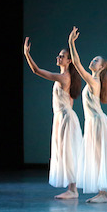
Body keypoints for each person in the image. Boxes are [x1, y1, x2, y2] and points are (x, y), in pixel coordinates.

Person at [68, 27, 107, 203]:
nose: (93, 61)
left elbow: (76, 64)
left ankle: (104, 194)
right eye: (93, 59)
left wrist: (71, 43)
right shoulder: (93, 81)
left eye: (96, 60)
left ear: (101, 68)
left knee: (100, 156)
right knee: (97, 156)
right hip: (93, 123)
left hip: (98, 123)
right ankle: (102, 193)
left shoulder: (93, 81)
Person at [23, 37, 82, 199]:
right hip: (63, 117)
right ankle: (72, 188)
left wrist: (27, 54)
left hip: (65, 119)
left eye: (62, 56)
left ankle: (73, 189)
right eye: (59, 55)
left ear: (69, 61)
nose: (58, 57)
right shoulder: (66, 77)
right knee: (65, 151)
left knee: (69, 152)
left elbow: (36, 71)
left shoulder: (64, 77)